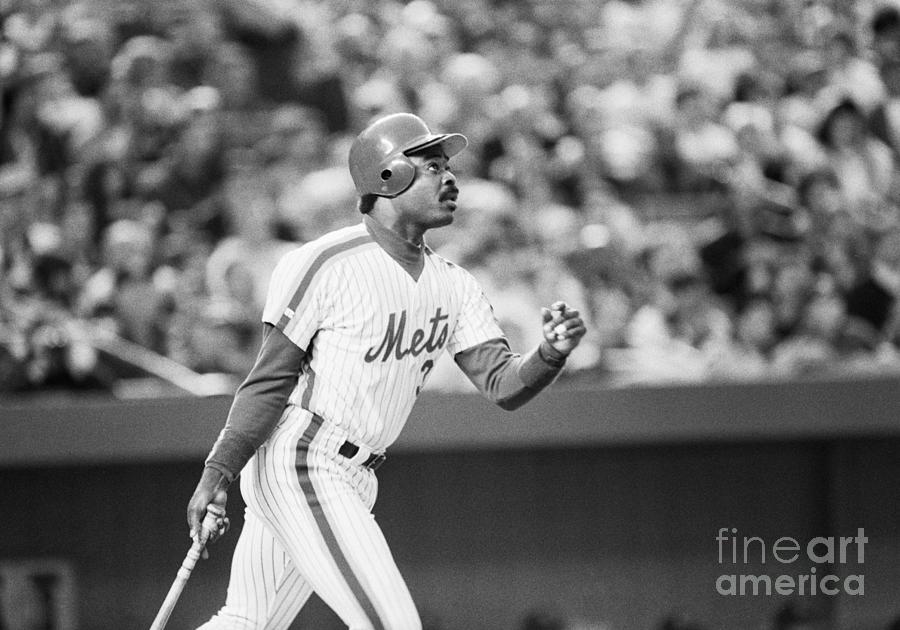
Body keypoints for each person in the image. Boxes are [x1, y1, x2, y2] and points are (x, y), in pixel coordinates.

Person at [186, 112, 587, 630]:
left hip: (356, 474)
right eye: (434, 165)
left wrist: (550, 352)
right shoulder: (324, 260)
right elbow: (269, 379)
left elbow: (503, 384)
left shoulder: (455, 284)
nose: (451, 179)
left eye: (449, 167)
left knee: (246, 621)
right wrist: (218, 472)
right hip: (305, 459)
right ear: (388, 176)